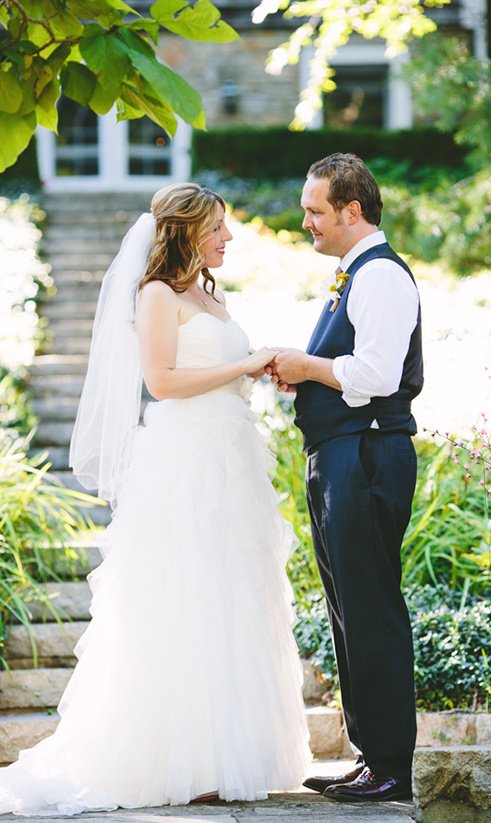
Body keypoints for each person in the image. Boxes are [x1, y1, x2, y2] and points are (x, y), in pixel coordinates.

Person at [0, 183, 310, 816]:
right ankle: (178, 757)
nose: (229, 238)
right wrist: (244, 364)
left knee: (231, 597)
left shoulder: (206, 294)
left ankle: (228, 754)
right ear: (188, 232)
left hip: (232, 456)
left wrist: (259, 370)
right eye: (219, 228)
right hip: (185, 462)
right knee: (184, 597)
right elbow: (163, 382)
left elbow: (221, 367)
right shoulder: (156, 294)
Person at [268, 153, 423, 803]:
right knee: (347, 609)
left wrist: (306, 366)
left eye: (315, 211)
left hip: (366, 452)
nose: (306, 222)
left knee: (370, 605)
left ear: (351, 211)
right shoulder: (352, 273)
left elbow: (377, 376)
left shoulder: (381, 276)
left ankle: (390, 764)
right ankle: (372, 755)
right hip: (341, 453)